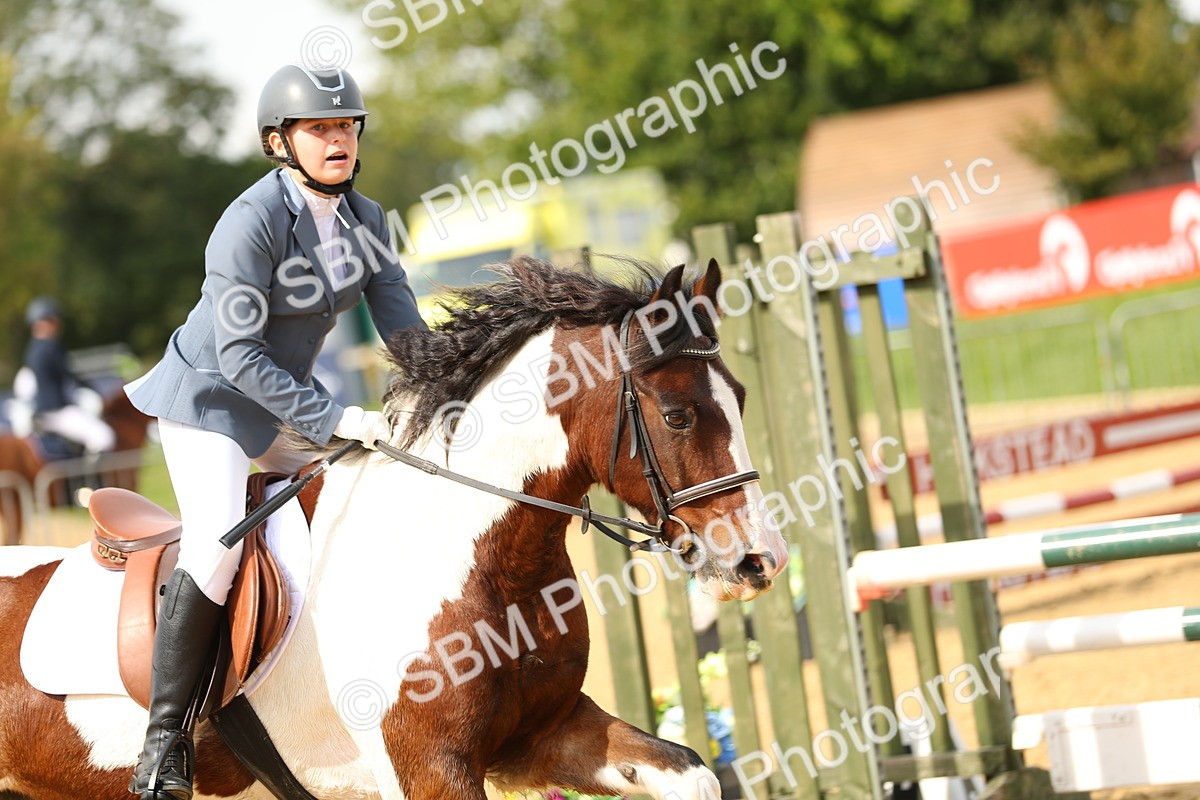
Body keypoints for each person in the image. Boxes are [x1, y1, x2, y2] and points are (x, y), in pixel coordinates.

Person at [124, 64, 425, 800]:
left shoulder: (370, 222)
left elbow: (407, 332)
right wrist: (334, 418)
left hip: (281, 406)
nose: (338, 140)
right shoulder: (250, 221)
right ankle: (164, 745)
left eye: (347, 127)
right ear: (279, 141)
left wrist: (453, 391)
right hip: (208, 402)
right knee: (220, 538)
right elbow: (238, 357)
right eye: (321, 128)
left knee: (364, 491)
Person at [21, 296, 117, 456]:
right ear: (44, 322)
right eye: (54, 319)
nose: (58, 324)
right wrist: (95, 391)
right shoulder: (51, 346)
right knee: (104, 437)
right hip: (57, 411)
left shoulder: (31, 349)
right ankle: (91, 478)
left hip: (40, 412)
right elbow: (71, 377)